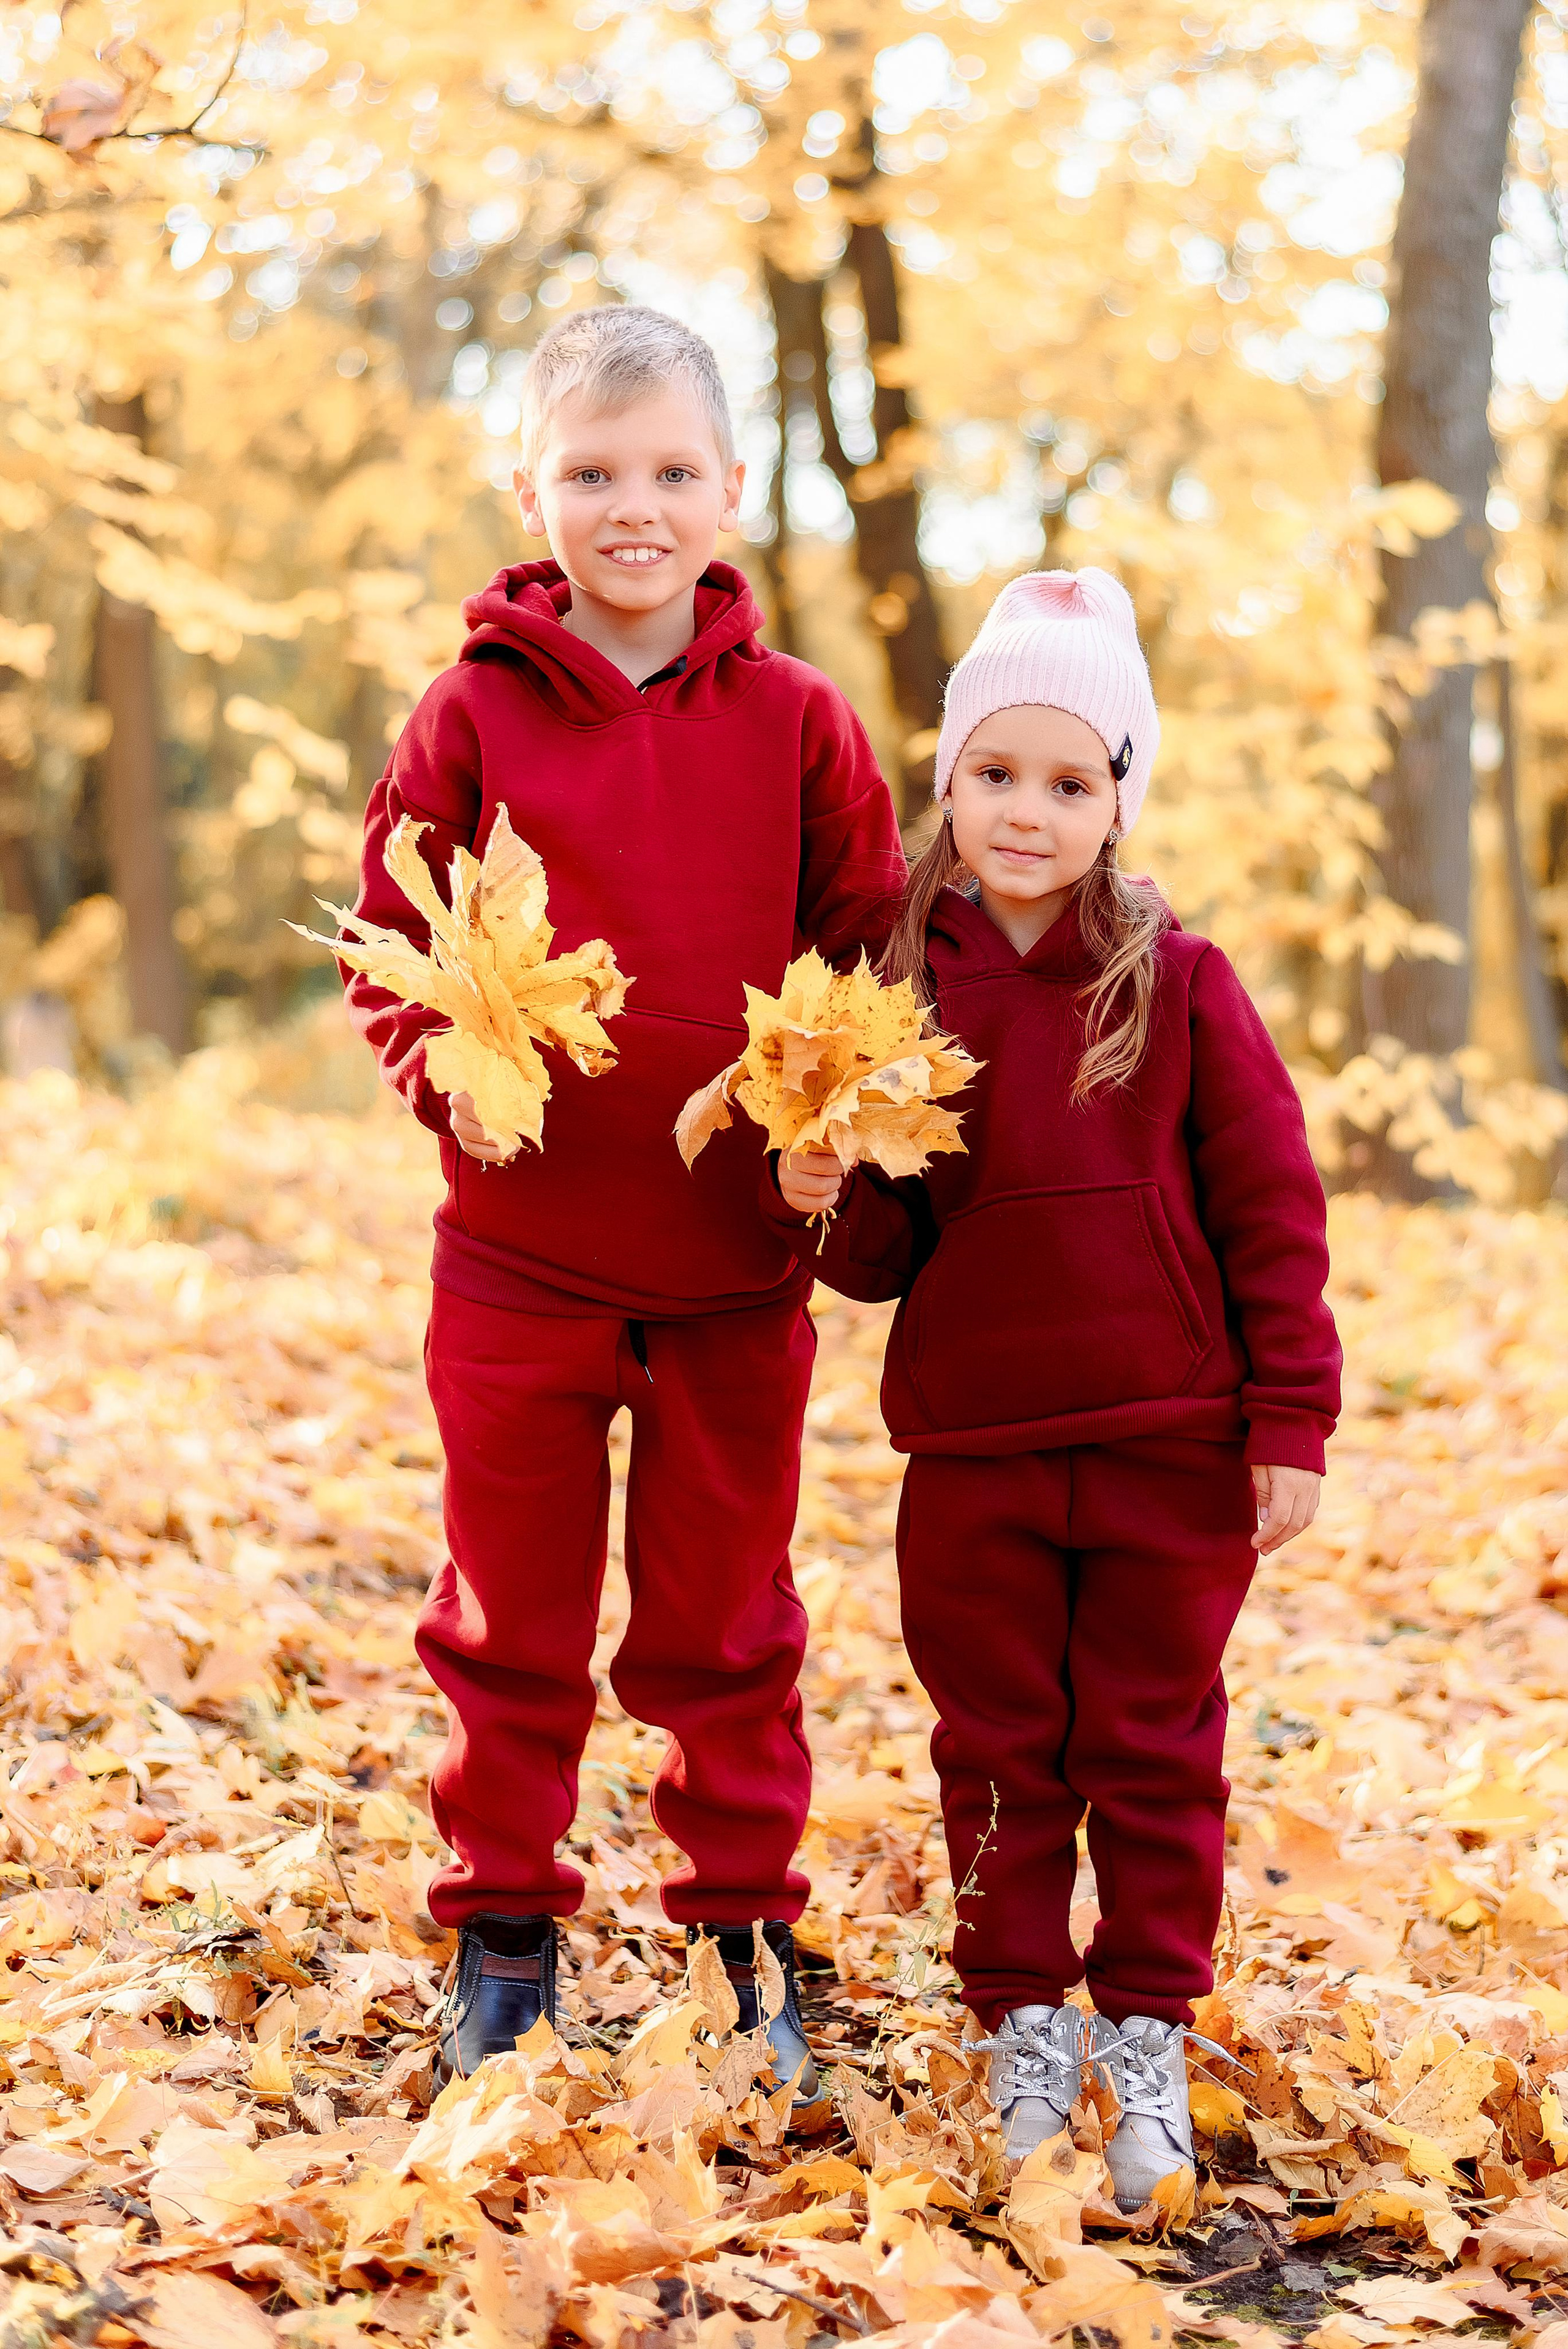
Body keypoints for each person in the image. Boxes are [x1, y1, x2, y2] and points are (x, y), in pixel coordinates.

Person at [345, 306, 903, 2110]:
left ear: (732, 491)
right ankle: (505, 1926)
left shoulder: (803, 724)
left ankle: (742, 1925)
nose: (633, 506)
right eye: (592, 472)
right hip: (516, 1264)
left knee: (724, 1622)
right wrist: (457, 1081)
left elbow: (870, 958)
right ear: (531, 489)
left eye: (670, 471)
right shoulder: (472, 714)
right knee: (508, 1617)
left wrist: (832, 1128)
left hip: (738, 1268)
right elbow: (393, 954)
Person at [769, 568, 1340, 2203]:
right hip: (977, 1447)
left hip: (1174, 1440)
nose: (1028, 811)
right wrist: (819, 1196)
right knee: (1004, 1750)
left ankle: (1144, 2031)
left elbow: (1270, 1203)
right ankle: (1025, 2028)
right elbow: (884, 1251)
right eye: (997, 773)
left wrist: (1289, 1416)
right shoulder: (900, 989)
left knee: (1157, 1745)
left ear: (1119, 795)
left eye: (1071, 780)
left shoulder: (1178, 978)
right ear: (952, 774)